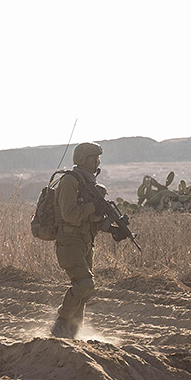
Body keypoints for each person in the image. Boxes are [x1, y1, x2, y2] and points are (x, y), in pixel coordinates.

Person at [51, 142, 121, 339]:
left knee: (83, 293)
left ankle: (73, 333)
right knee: (85, 284)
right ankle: (62, 321)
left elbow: (93, 221)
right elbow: (70, 214)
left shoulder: (93, 185)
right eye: (93, 157)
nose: (97, 161)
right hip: (69, 241)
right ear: (82, 159)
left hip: (85, 242)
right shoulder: (70, 181)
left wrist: (113, 229)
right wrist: (93, 207)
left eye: (98, 157)